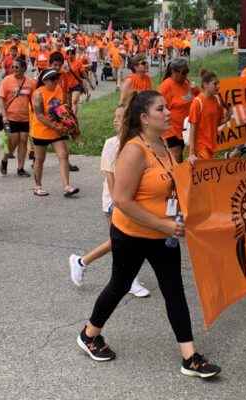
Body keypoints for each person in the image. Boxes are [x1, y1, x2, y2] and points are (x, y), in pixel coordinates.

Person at [77, 90, 220, 379]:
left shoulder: (162, 143)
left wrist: (185, 174)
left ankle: (189, 357)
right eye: (161, 109)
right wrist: (165, 225)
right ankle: (90, 334)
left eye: (167, 108)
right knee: (119, 284)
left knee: (174, 291)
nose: (168, 113)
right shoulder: (134, 150)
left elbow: (165, 184)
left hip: (161, 235)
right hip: (130, 233)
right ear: (144, 118)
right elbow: (122, 200)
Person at [68, 116, 151, 298]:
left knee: (122, 241)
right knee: (125, 241)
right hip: (115, 201)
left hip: (131, 200)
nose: (115, 120)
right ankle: (129, 280)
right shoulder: (112, 144)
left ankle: (81, 262)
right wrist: (118, 202)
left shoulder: (138, 143)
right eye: (114, 117)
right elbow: (110, 175)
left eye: (120, 117)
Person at [29, 69, 79, 197]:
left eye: (57, 78)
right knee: (40, 159)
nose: (56, 81)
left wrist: (69, 123)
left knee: (64, 155)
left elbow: (61, 108)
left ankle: (67, 186)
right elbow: (39, 115)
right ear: (44, 81)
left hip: (57, 130)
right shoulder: (38, 94)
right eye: (53, 79)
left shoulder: (58, 89)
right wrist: (55, 127)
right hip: (41, 131)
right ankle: (37, 186)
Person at [0, 57, 35, 177]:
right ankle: (4, 159)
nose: (14, 69)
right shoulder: (7, 81)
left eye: (17, 67)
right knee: (13, 142)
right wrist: (4, 116)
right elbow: (0, 99)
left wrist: (36, 114)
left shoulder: (30, 83)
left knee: (23, 140)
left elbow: (33, 100)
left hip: (25, 118)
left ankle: (20, 168)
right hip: (11, 117)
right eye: (13, 67)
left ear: (24, 68)